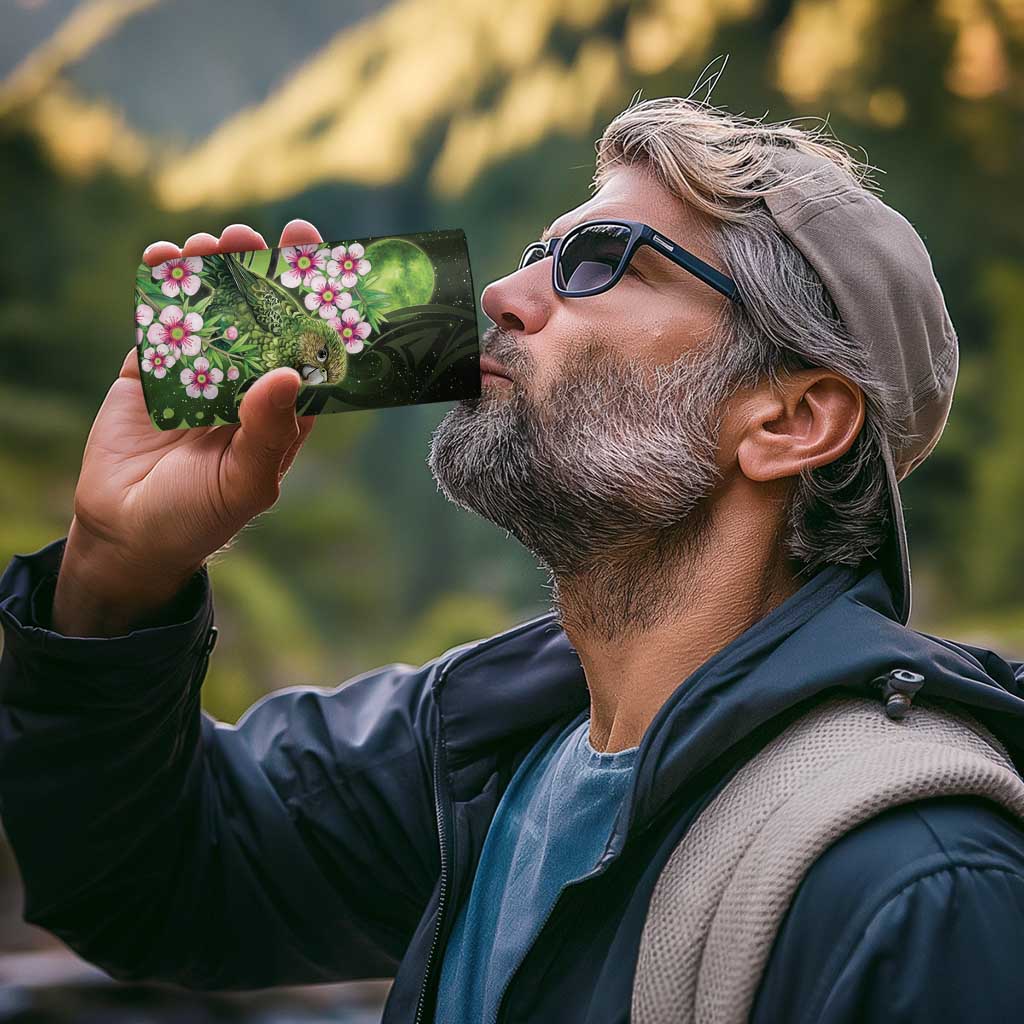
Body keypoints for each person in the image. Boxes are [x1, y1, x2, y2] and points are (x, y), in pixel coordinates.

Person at [2, 93, 1024, 1024]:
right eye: (539, 252)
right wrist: (115, 571)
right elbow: (149, 879)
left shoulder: (918, 884)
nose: (500, 291)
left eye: (599, 261)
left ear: (791, 419)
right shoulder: (479, 748)